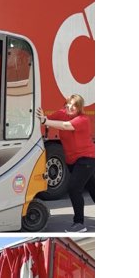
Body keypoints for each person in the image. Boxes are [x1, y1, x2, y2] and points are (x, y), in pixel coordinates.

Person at [37, 94, 95, 233]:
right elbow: (47, 119)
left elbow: (65, 126)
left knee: (74, 189)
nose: (70, 107)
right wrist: (41, 116)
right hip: (72, 160)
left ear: (79, 108)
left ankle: (79, 224)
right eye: (69, 103)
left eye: (74, 105)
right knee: (93, 189)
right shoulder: (62, 113)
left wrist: (45, 120)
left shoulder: (83, 119)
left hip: (86, 158)